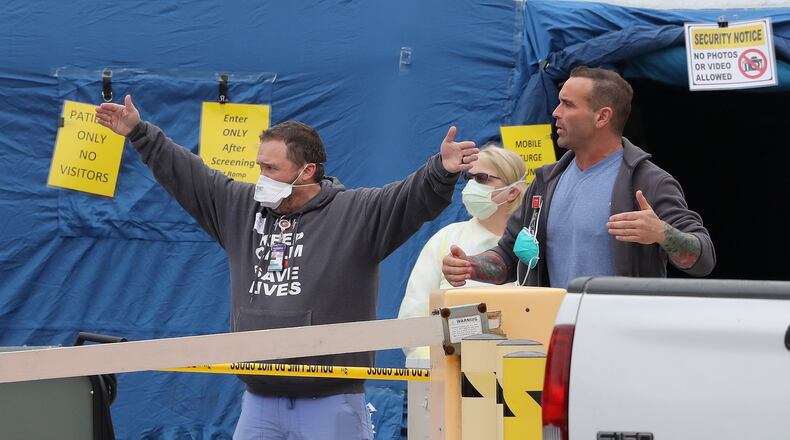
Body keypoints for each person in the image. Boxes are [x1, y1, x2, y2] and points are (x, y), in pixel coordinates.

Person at [95, 95, 479, 440]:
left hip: (331, 402)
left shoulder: (356, 213)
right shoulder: (239, 207)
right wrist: (139, 133)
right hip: (259, 402)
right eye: (259, 167)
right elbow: (190, 175)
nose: (261, 178)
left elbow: (408, 199)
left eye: (271, 169)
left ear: (307, 171)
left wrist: (441, 170)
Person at [442, 66, 715, 289]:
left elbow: (702, 258)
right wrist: (470, 265)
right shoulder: (546, 183)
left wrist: (662, 233)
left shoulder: (648, 182)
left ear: (602, 117)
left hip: (624, 341)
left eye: (567, 105)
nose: (555, 113)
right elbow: (509, 255)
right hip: (557, 338)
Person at [397, 144, 526, 361]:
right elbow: (412, 317)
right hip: (449, 376)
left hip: (520, 371)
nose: (471, 186)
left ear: (512, 192)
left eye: (482, 179)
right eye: (469, 178)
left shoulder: (531, 245)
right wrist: (440, 369)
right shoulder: (446, 240)